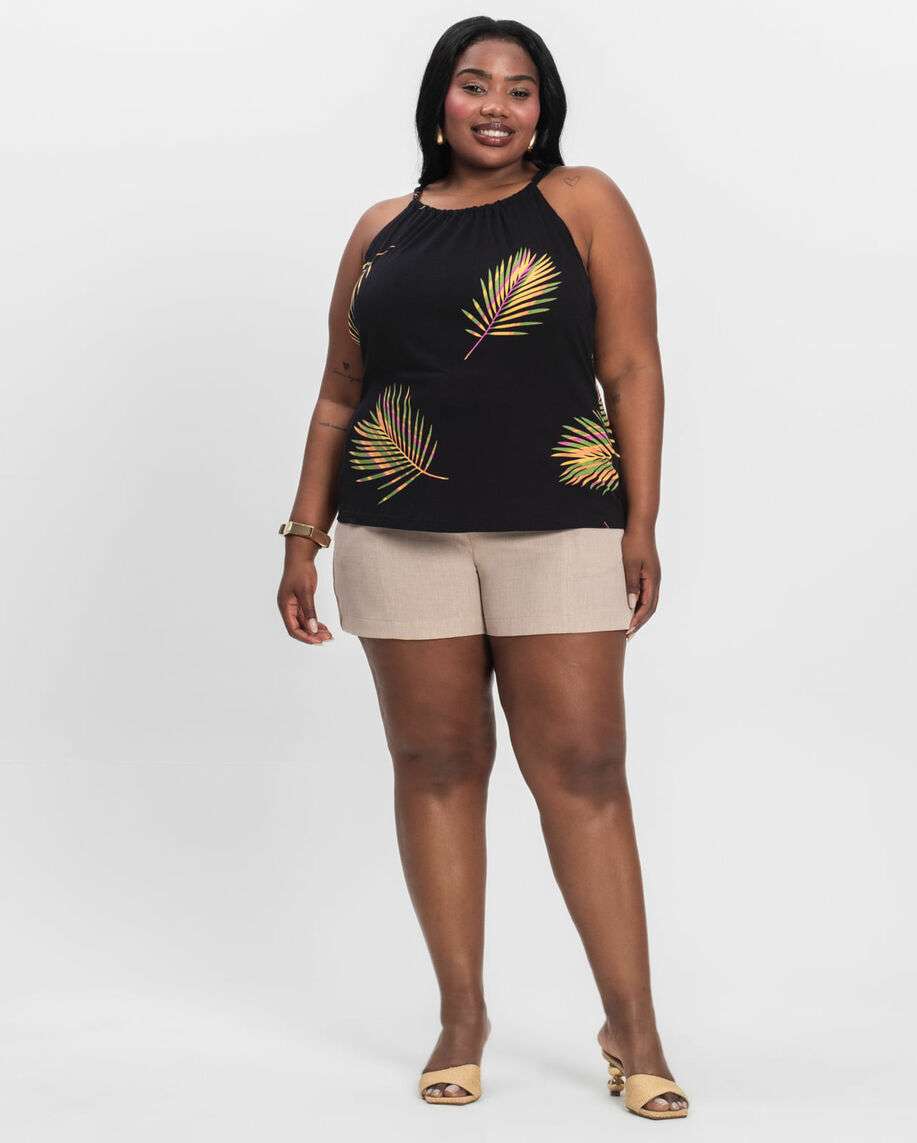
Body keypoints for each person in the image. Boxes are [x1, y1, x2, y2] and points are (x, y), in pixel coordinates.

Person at [276, 16, 689, 1121]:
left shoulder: (582, 201)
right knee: (436, 764)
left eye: (520, 88)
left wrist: (641, 522)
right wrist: (304, 535)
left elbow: (632, 363)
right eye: (475, 85)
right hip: (396, 528)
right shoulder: (382, 229)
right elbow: (339, 391)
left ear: (543, 109)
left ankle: (634, 1029)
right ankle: (462, 1019)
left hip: (558, 521)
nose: (497, 106)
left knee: (584, 769)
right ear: (440, 104)